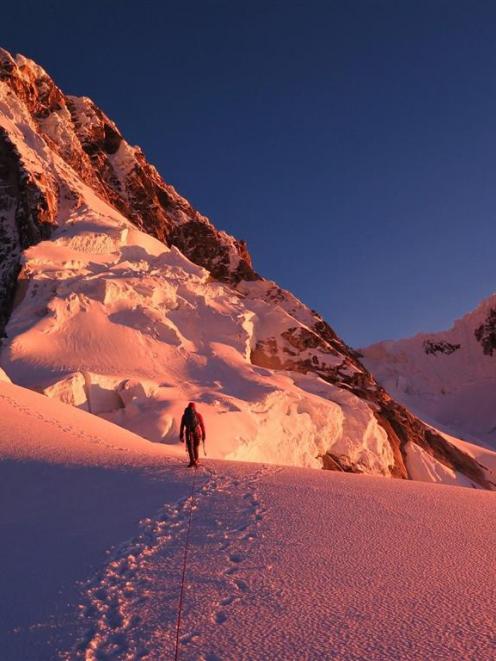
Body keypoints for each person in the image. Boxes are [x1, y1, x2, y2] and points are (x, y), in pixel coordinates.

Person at [180, 402, 206, 467]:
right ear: (194, 408)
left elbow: (182, 426)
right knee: (195, 446)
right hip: (197, 432)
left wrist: (181, 435)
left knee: (190, 447)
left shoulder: (184, 416)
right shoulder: (198, 415)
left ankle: (192, 461)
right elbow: (202, 425)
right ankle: (196, 460)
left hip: (188, 432)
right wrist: (204, 434)